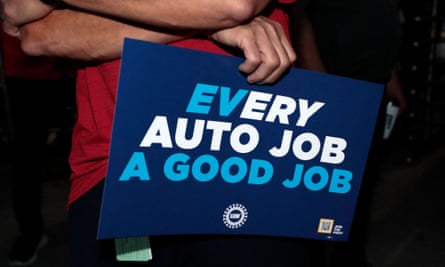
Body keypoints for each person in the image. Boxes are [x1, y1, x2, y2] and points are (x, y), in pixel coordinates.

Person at [2, 0, 311, 266]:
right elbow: (38, 34)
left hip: (243, 161)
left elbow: (233, 5)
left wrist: (212, 16)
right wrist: (210, 22)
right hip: (117, 166)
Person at [289, 0, 407, 266]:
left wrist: (391, 78)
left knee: (362, 185)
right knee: (319, 189)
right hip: (334, 85)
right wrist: (320, 86)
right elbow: (298, 13)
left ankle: (351, 259)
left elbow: (381, 18)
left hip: (372, 87)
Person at [0, 29, 75, 266]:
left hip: (79, 61)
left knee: (98, 152)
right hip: (22, 71)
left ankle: (110, 229)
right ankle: (31, 234)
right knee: (25, 160)